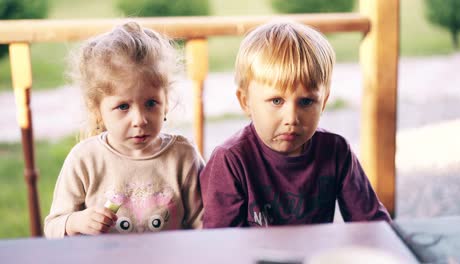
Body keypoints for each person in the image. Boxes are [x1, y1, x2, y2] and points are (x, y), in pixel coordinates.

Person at [200, 21, 391, 228]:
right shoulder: (230, 160)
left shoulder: (336, 151)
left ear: (323, 102)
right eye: (276, 101)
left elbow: (372, 226)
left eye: (306, 101)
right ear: (246, 101)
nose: (292, 118)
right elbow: (221, 244)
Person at [44, 21, 204, 238]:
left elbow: (204, 224)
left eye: (151, 103)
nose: (139, 120)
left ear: (165, 101)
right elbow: (52, 227)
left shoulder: (183, 156)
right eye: (123, 107)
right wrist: (76, 221)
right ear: (98, 110)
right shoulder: (85, 159)